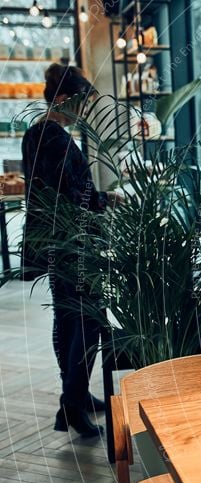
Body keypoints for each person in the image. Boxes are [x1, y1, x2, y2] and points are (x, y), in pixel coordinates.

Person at [21, 64, 119, 438]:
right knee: (86, 322)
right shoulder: (58, 139)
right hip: (73, 244)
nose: (85, 111)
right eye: (82, 104)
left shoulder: (34, 134)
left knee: (67, 320)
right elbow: (74, 198)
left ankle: (73, 397)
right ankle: (73, 404)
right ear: (65, 99)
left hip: (52, 242)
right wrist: (107, 198)